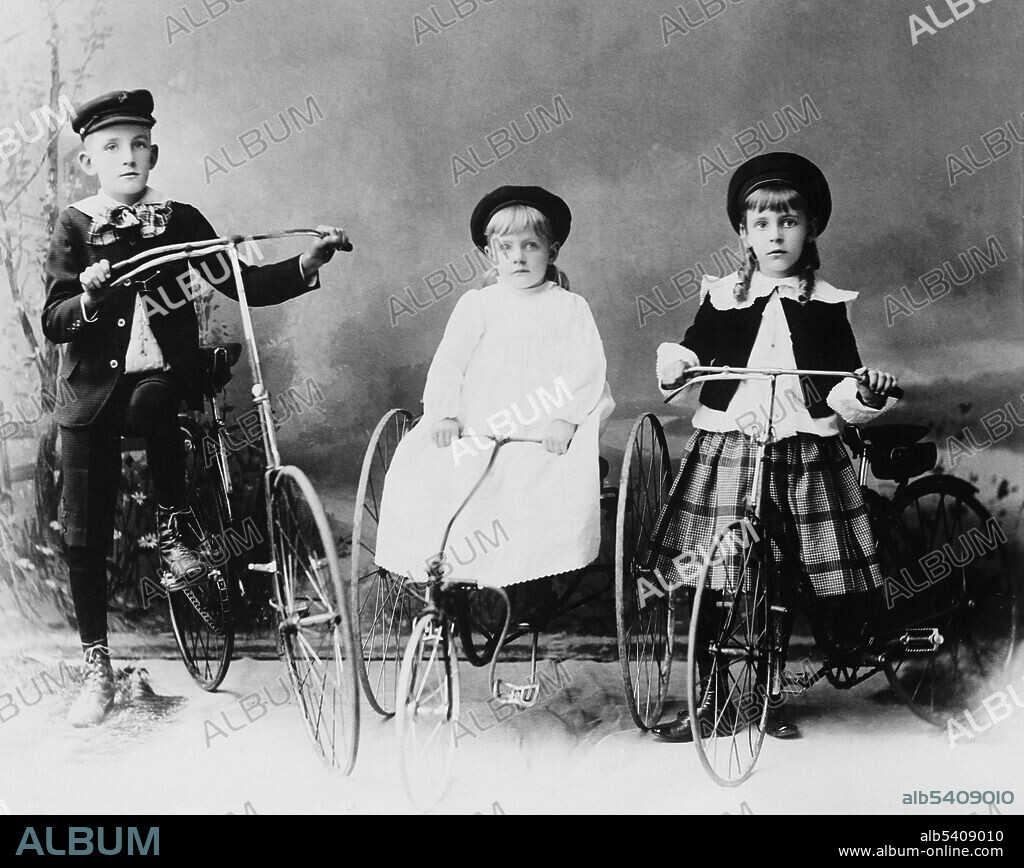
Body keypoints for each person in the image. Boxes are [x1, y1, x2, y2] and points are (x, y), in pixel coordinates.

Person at [42, 89, 350, 727]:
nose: (126, 158)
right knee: (84, 533)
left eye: (136, 146)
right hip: (93, 398)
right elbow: (55, 318)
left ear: (152, 153)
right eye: (110, 148)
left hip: (155, 386)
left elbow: (241, 280)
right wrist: (91, 296)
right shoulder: (76, 224)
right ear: (89, 163)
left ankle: (175, 527)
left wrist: (306, 262)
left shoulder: (178, 220)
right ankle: (97, 664)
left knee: (158, 397)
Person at [650, 152, 899, 742]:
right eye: (761, 224)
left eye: (788, 222)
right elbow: (691, 352)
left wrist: (864, 392)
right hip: (732, 448)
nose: (775, 234)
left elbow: (841, 382)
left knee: (781, 575)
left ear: (809, 230)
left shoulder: (826, 304)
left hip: (803, 452)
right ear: (743, 234)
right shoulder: (722, 297)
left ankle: (767, 696)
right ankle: (707, 699)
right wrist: (680, 362)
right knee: (718, 573)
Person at [375, 185, 613, 611]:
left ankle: (531, 582)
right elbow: (450, 363)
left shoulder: (568, 307)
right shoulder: (478, 305)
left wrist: (567, 419)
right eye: (506, 248)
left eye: (530, 246)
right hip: (479, 425)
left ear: (552, 251)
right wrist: (445, 413)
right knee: (438, 470)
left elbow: (586, 368)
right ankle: (451, 578)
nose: (518, 257)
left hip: (540, 432)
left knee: (530, 478)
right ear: (491, 254)